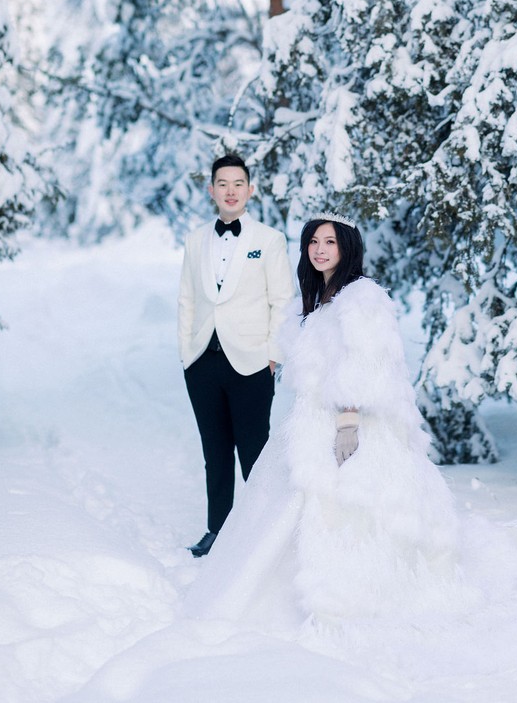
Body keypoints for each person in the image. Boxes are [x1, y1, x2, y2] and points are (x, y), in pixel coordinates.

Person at [187, 213, 458, 635]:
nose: (319, 249)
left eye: (329, 242)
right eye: (313, 242)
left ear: (347, 246)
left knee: (343, 509)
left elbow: (367, 364)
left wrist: (348, 420)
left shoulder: (362, 298)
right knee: (281, 512)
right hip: (309, 422)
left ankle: (349, 594)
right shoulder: (315, 298)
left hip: (348, 423)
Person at [177, 154, 295, 557]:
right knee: (215, 452)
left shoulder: (268, 240)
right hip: (203, 362)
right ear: (211, 191)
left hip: (252, 363)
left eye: (238, 183)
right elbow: (187, 300)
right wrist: (186, 356)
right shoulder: (195, 240)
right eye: (222, 184)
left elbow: (282, 301)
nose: (230, 191)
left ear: (250, 189)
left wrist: (273, 356)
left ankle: (263, 535)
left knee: (255, 452)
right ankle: (218, 532)